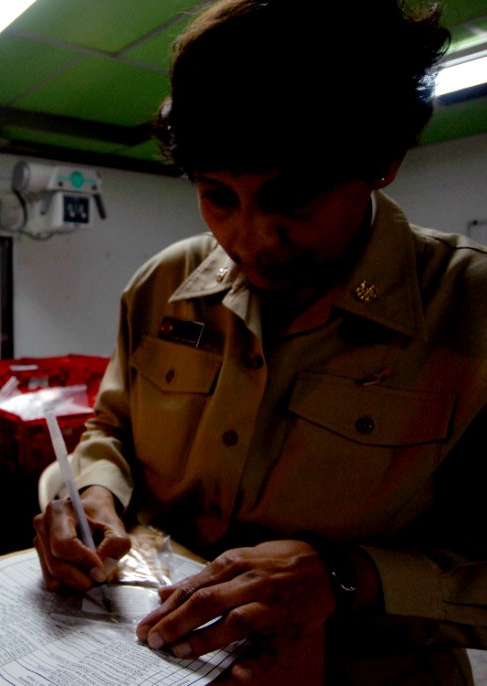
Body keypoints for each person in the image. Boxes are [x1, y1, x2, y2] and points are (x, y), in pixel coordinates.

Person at [32, 1, 487, 683]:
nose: (248, 240)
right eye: (217, 196)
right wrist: (91, 491)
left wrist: (347, 579)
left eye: (294, 200)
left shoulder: (472, 311)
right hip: (148, 655)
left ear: (383, 163)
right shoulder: (163, 286)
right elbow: (111, 427)